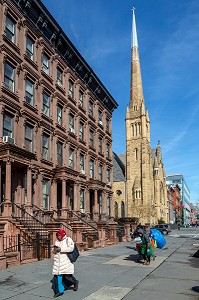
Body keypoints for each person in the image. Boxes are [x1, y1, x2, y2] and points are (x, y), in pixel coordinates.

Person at [52, 229, 79, 298]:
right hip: (58, 263)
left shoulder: (68, 239)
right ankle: (59, 291)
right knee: (58, 277)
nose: (59, 236)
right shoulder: (57, 241)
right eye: (58, 235)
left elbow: (71, 248)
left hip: (66, 262)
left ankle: (75, 282)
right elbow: (53, 251)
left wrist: (61, 249)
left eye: (60, 234)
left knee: (68, 276)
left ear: (63, 234)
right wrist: (54, 250)